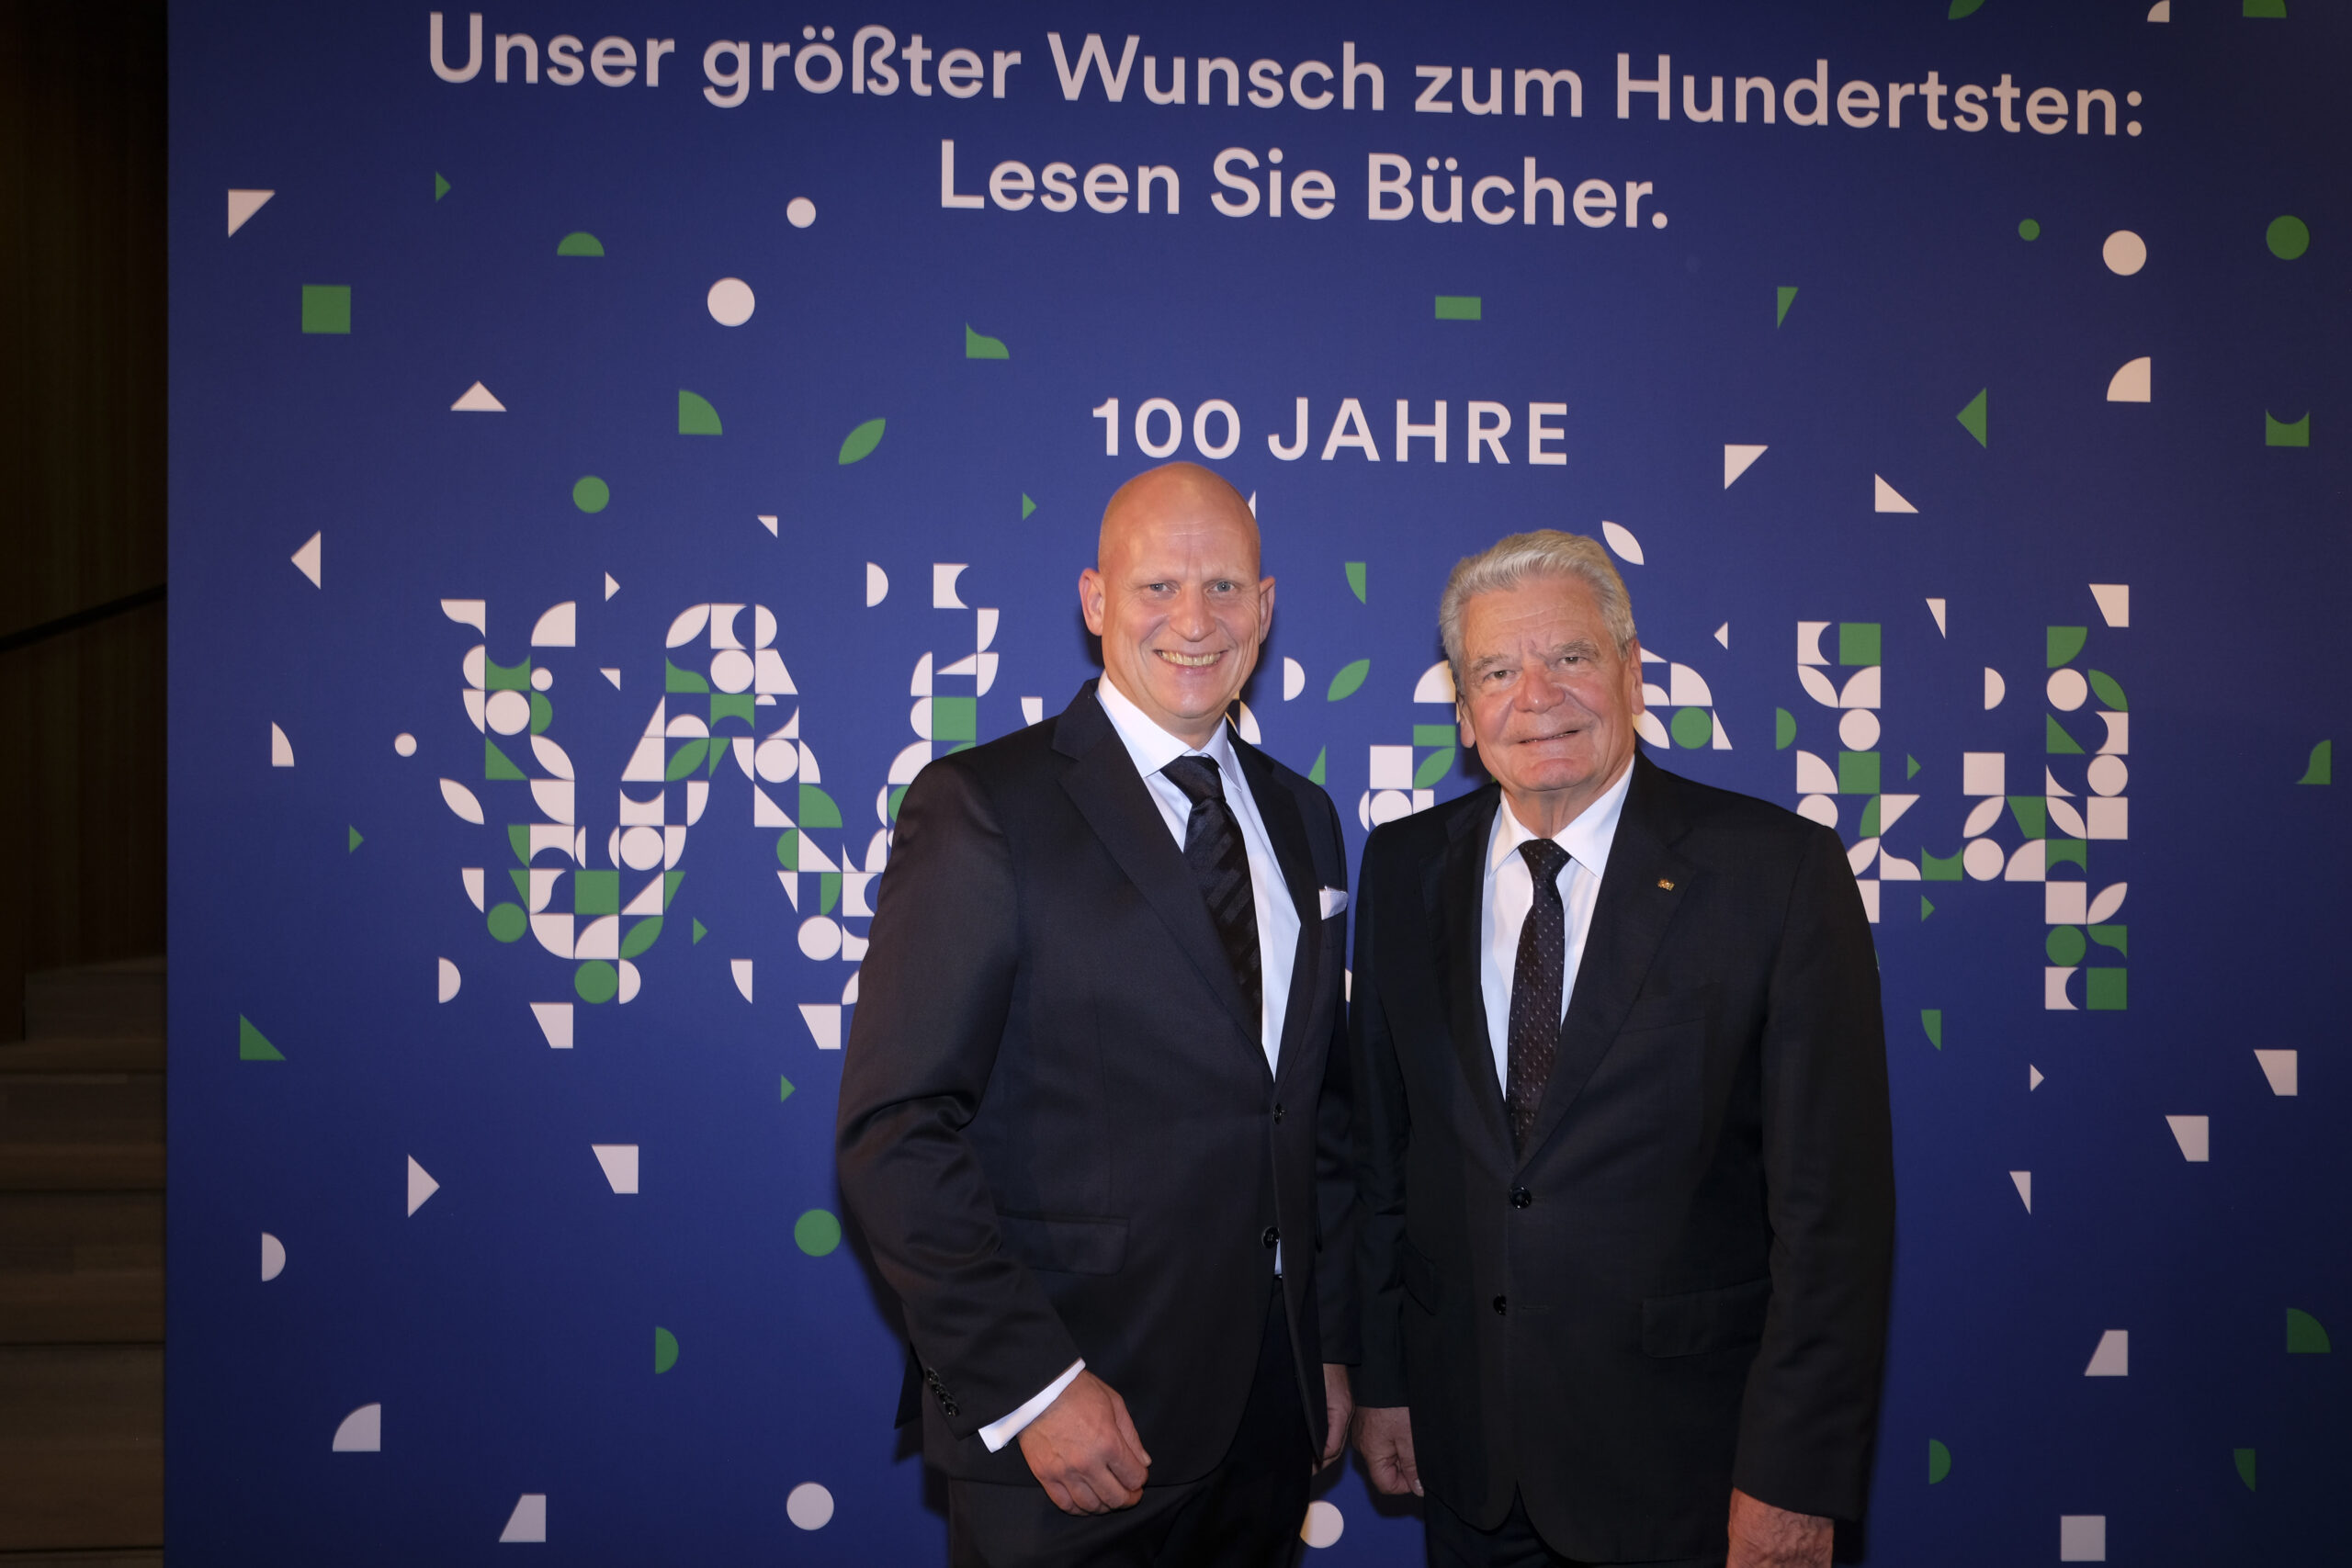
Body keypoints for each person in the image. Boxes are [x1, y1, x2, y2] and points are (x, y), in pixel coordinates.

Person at [836, 462, 1359, 1567]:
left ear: (1265, 608)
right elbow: (897, 1130)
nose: (1194, 620)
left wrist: (1326, 1345)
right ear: (1094, 600)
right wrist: (1032, 1387)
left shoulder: (1304, 817)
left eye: (1224, 587)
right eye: (1157, 586)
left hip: (1267, 1431)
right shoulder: (984, 806)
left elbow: (1310, 1115)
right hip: (1073, 1439)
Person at [1348, 531, 1894, 1568]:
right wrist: (1384, 1380)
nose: (1536, 696)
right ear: (1462, 711)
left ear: (1633, 674)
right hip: (1469, 1466)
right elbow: (1383, 1157)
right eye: (1496, 671)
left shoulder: (1776, 873)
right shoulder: (1403, 867)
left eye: (1570, 657)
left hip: (1692, 1480)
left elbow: (1834, 1220)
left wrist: (1794, 1480)